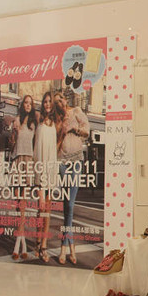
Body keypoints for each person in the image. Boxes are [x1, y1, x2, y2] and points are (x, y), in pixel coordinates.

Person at [53, 92, 89, 265]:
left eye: (61, 99)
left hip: (75, 160)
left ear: (65, 99)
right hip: (62, 161)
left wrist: (74, 129)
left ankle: (64, 247)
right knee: (66, 204)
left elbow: (87, 131)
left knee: (70, 205)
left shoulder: (76, 111)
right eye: (56, 102)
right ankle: (70, 247)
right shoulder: (57, 120)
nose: (60, 102)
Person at [10, 95, 39, 261]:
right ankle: (23, 244)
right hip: (17, 160)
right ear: (22, 105)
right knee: (17, 204)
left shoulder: (33, 123)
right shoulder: (17, 120)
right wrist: (13, 133)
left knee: (24, 204)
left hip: (28, 161)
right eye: (26, 103)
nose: (28, 105)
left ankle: (18, 245)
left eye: (30, 103)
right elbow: (12, 144)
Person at [34, 92, 58, 263]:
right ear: (42, 104)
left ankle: (43, 245)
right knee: (40, 209)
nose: (48, 104)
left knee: (48, 210)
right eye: (45, 101)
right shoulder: (39, 122)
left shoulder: (55, 123)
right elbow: (36, 150)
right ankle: (37, 241)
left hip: (50, 170)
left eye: (50, 101)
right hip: (40, 169)